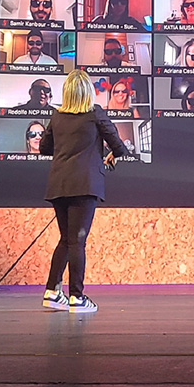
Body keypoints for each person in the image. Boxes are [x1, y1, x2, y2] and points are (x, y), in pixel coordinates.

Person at [38, 69, 133, 312]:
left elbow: (44, 148)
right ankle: (77, 297)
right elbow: (119, 147)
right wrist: (108, 155)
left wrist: (66, 147)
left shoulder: (57, 116)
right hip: (85, 185)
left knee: (66, 240)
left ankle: (52, 292)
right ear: (88, 92)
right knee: (77, 242)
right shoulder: (95, 113)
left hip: (59, 184)